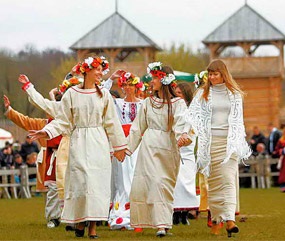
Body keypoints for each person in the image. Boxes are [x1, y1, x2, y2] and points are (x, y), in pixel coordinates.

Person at [28, 55, 128, 239]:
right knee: (81, 181)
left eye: (101, 70)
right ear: (86, 71)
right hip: (79, 140)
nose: (100, 73)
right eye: (97, 69)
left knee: (96, 183)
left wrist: (119, 146)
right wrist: (46, 131)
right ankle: (79, 221)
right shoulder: (72, 94)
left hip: (98, 141)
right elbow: (64, 121)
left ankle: (92, 227)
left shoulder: (104, 94)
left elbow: (112, 122)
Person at [184, 59, 252, 237]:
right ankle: (215, 219)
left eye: (216, 74)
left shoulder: (234, 94)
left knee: (228, 180)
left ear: (223, 74)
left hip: (229, 143)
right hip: (210, 143)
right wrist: (186, 134)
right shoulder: (202, 94)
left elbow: (239, 120)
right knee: (213, 184)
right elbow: (191, 116)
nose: (213, 77)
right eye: (211, 74)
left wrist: (238, 140)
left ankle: (230, 220)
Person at [126, 62, 189, 237]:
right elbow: (137, 128)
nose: (151, 81)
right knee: (153, 183)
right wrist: (125, 149)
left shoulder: (177, 104)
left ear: (164, 80)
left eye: (155, 78)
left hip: (168, 148)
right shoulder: (147, 103)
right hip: (149, 147)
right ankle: (160, 225)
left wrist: (182, 136)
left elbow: (181, 123)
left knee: (164, 184)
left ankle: (164, 224)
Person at [108, 71, 144, 230]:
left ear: (137, 86)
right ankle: (121, 215)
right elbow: (101, 93)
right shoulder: (116, 103)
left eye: (131, 84)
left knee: (137, 178)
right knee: (122, 179)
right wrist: (111, 79)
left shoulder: (144, 104)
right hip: (121, 143)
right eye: (125, 84)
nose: (128, 88)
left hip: (138, 144)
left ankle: (138, 215)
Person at [173, 82, 199, 225]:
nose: (177, 96)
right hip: (174, 146)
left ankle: (185, 213)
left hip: (187, 148)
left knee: (186, 182)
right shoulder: (173, 109)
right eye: (175, 93)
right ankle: (175, 213)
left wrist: (186, 139)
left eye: (180, 93)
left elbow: (193, 129)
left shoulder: (192, 110)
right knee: (175, 182)